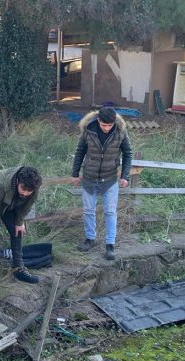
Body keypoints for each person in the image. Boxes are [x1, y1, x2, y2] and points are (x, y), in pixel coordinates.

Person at [71, 107, 132, 260]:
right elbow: (80, 151)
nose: (106, 128)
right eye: (104, 125)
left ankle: (110, 244)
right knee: (88, 210)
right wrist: (75, 173)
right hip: (89, 177)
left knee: (110, 212)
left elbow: (128, 153)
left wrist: (125, 175)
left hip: (110, 179)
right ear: (98, 120)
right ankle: (90, 239)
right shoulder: (88, 131)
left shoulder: (121, 132)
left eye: (109, 125)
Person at [0, 166, 43, 295]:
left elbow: (27, 205)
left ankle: (18, 268)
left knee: (17, 231)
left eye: (29, 191)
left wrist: (19, 222)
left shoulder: (33, 186)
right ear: (18, 181)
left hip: (6, 204)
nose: (25, 193)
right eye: (23, 189)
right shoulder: (1, 186)